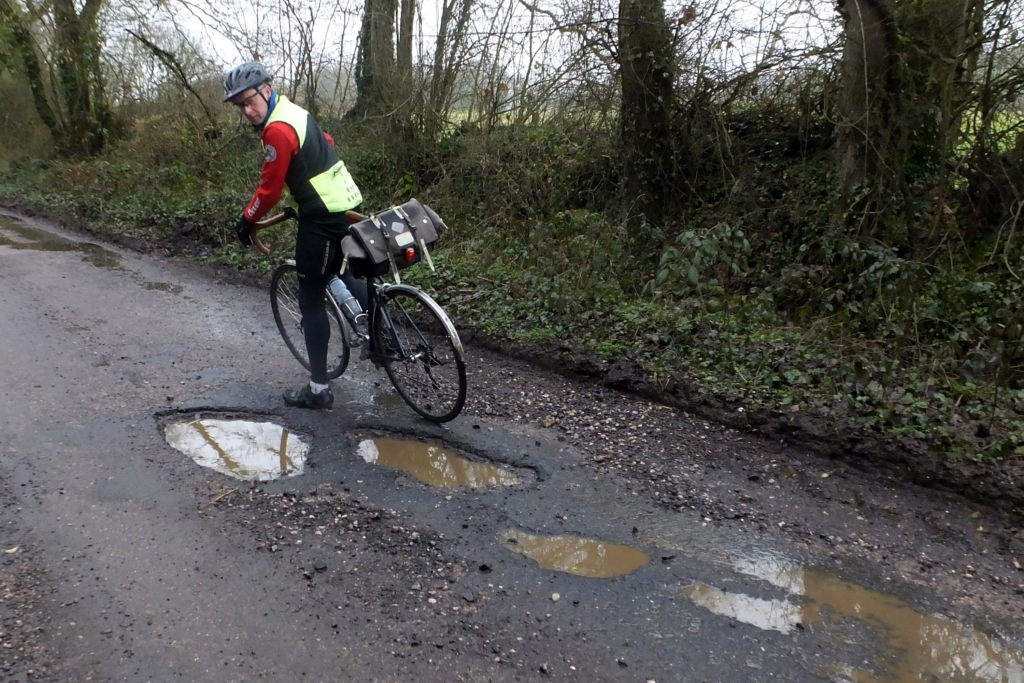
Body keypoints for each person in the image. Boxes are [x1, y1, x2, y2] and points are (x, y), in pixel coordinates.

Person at [224, 61, 368, 410]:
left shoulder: (276, 130)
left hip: (321, 217)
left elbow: (269, 190)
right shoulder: (294, 111)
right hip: (347, 201)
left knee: (310, 298)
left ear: (266, 91)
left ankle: (319, 389)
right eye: (240, 105)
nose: (247, 110)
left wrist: (247, 220)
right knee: (345, 271)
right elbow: (326, 141)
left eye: (250, 101)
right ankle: (382, 336)